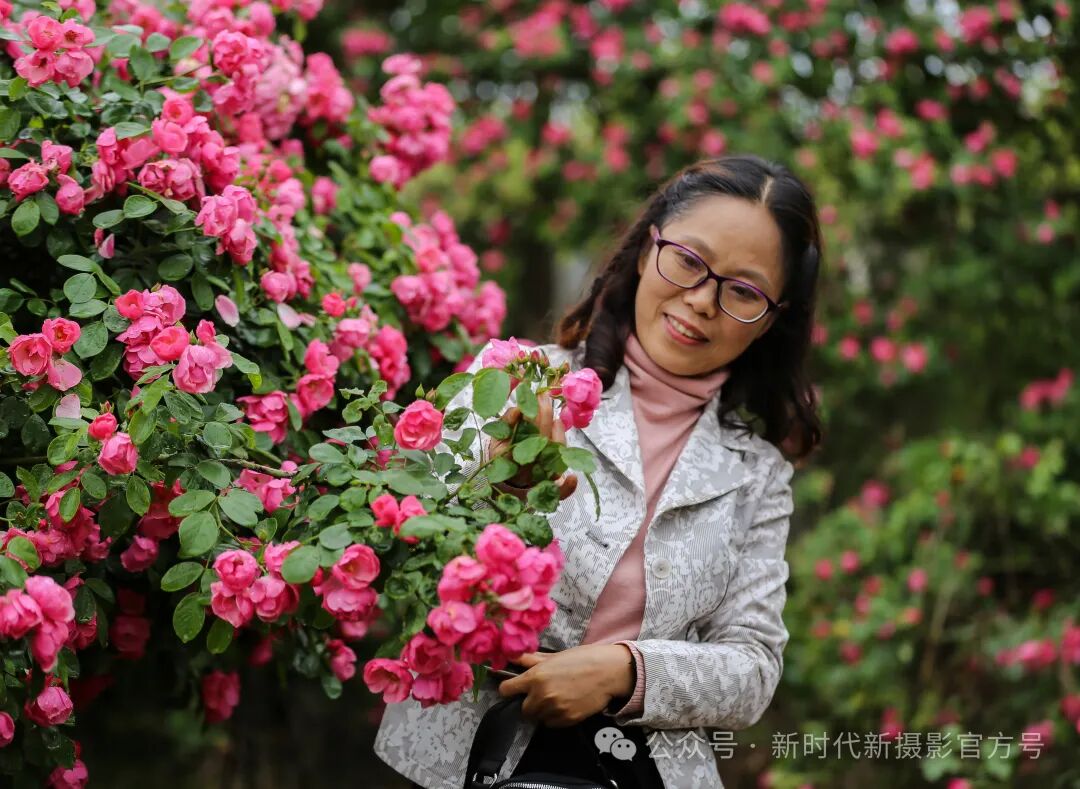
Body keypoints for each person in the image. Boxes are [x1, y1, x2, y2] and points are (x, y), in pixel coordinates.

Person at [374, 153, 824, 789]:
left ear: (771, 319)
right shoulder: (516, 380)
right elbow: (403, 557)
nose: (702, 301)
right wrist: (504, 497)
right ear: (646, 251)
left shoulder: (758, 474)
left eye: (744, 291)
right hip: (464, 761)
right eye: (688, 261)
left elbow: (752, 665)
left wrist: (624, 670)